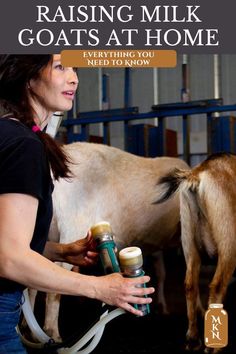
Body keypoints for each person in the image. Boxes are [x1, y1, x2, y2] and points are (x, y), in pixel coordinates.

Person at [0, 54, 155, 353]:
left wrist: (59, 251)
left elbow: (5, 235)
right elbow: (9, 258)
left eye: (74, 69)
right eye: (60, 67)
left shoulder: (11, 134)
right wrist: (100, 288)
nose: (74, 78)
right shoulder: (23, 146)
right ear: (29, 78)